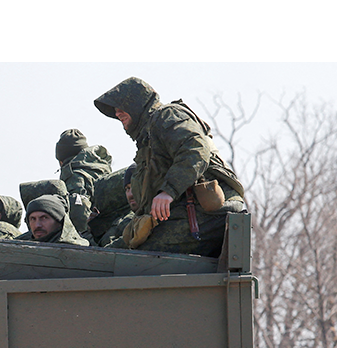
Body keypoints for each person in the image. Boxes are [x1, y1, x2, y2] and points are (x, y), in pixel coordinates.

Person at [94, 77, 245, 256]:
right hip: (188, 214)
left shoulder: (167, 115)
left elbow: (195, 150)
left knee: (138, 258)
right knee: (117, 252)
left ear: (136, 103)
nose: (117, 113)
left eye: (122, 107)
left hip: (209, 213)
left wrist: (168, 191)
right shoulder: (147, 137)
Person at [55, 129, 112, 239]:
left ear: (61, 161)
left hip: (89, 238)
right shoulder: (100, 168)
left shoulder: (75, 177)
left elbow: (79, 213)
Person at [24, 194, 89, 246]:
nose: (37, 225)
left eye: (44, 218)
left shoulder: (78, 248)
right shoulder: (20, 249)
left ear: (59, 221)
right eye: (33, 219)